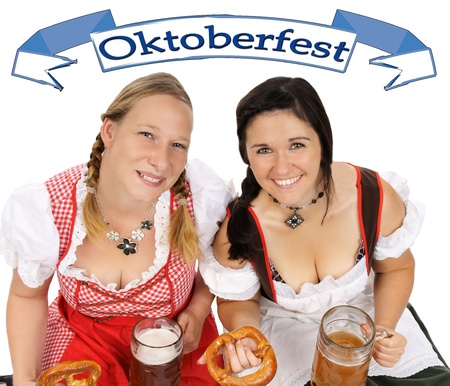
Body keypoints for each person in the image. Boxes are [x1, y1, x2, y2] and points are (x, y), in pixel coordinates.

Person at [198, 76, 450, 385]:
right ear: (246, 155)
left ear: (323, 142)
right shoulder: (239, 229)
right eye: (264, 150)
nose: (282, 167)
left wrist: (383, 330)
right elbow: (238, 301)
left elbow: (396, 267)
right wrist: (247, 335)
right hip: (287, 336)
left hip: (366, 321)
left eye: (297, 145)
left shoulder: (371, 197)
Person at [1, 72, 233, 386]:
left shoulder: (199, 199)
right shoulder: (49, 207)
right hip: (85, 342)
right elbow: (28, 298)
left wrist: (199, 308)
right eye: (148, 134)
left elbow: (216, 269)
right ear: (110, 131)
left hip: (175, 343)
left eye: (177, 144)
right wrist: (25, 379)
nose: (162, 161)